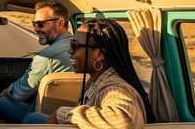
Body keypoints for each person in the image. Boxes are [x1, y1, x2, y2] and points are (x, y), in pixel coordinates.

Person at [24, 18, 157, 128]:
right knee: (33, 117)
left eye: (75, 45)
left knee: (30, 118)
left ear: (99, 54)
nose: (69, 51)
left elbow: (125, 121)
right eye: (71, 44)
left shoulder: (114, 87)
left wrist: (61, 114)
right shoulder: (96, 79)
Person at [0, 1, 73, 123]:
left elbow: (21, 92)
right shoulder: (82, 48)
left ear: (60, 23)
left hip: (43, 119)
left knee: (2, 102)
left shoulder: (47, 56)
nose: (35, 28)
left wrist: (7, 91)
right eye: (34, 23)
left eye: (40, 24)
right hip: (71, 117)